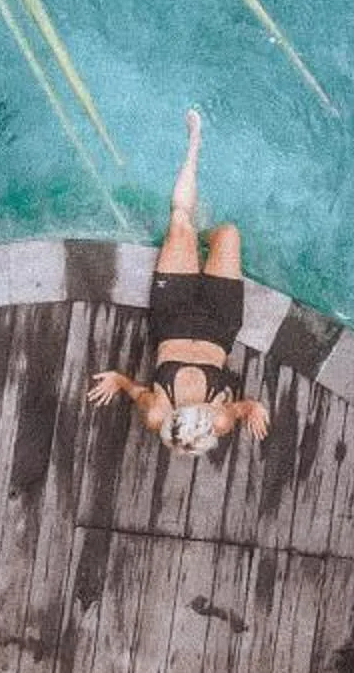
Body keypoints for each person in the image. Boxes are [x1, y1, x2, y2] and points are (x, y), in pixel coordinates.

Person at [84, 108, 270, 456]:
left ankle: (194, 144)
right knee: (229, 234)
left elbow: (135, 389)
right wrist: (255, 408)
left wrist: (116, 380)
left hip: (172, 317)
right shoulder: (220, 421)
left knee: (179, 223)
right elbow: (241, 408)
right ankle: (206, 240)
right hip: (219, 321)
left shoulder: (156, 414)